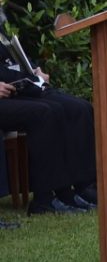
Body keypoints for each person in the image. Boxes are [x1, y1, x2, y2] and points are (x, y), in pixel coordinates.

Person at [0, 37, 97, 215]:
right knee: (44, 113)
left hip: (14, 90)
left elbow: (13, 59)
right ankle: (44, 200)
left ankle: (72, 190)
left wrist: (34, 73)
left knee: (70, 108)